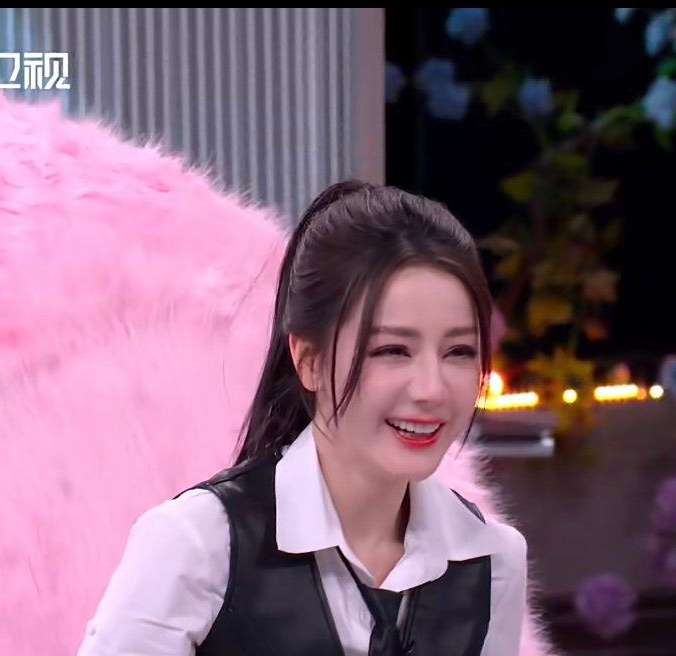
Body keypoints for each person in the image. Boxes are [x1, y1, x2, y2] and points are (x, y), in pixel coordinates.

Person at [76, 180, 529, 656]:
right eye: (393, 350)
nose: (431, 389)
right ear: (309, 359)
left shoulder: (492, 560)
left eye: (459, 352)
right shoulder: (199, 544)